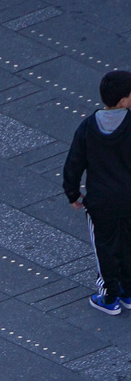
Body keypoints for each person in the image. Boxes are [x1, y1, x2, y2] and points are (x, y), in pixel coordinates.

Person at [64, 71, 131, 315]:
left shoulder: (88, 128)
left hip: (101, 203)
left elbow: (73, 163)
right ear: (123, 101)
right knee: (128, 243)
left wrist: (72, 194)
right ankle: (128, 291)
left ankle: (109, 296)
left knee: (104, 246)